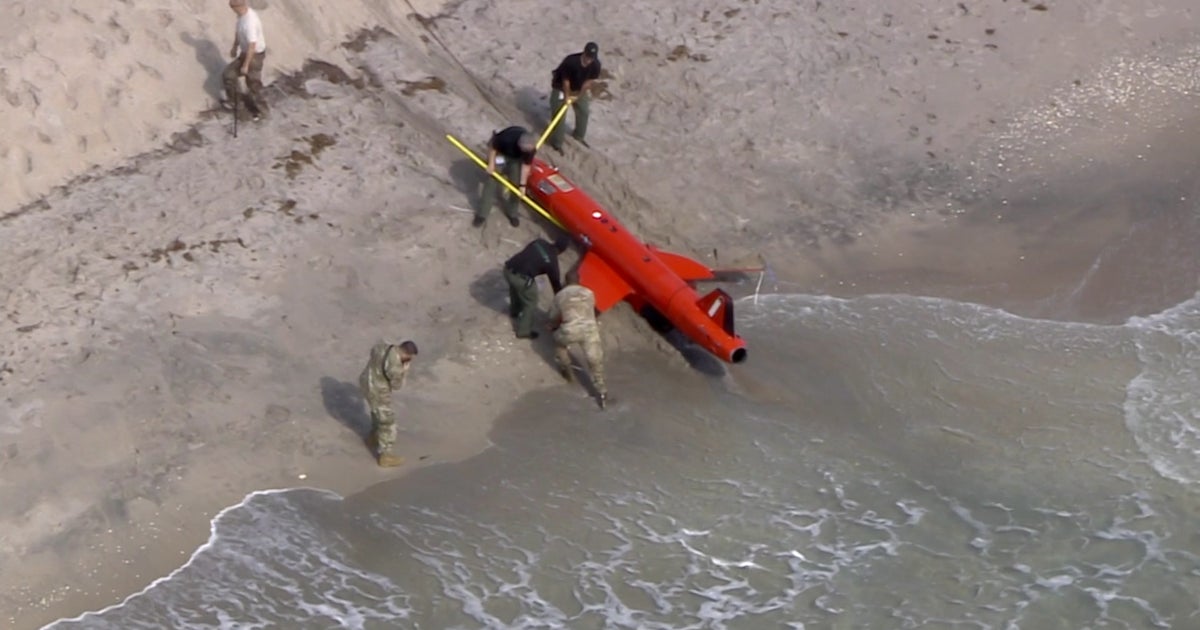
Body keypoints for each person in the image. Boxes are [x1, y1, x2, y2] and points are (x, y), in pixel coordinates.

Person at [548, 272, 608, 408]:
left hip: (570, 330)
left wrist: (552, 325)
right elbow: (591, 309)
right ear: (579, 281)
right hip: (589, 331)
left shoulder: (560, 296)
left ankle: (567, 371)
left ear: (566, 282)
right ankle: (602, 393)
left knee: (559, 343)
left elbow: (553, 316)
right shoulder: (589, 293)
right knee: (595, 362)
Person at [358, 340, 418, 467]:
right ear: (406, 355)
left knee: (375, 411)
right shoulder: (395, 366)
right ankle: (386, 455)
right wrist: (404, 370)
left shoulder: (382, 347)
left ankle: (374, 436)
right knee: (387, 422)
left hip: (367, 383)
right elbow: (397, 385)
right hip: (379, 391)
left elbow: (373, 351)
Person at [503, 236, 570, 339]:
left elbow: (529, 256)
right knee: (531, 301)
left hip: (507, 269)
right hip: (520, 278)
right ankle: (523, 331)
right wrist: (563, 302)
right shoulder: (552, 263)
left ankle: (514, 311)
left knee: (516, 287)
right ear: (562, 251)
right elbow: (556, 285)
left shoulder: (539, 242)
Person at [474, 126, 538, 228]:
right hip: (500, 153)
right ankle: (482, 214)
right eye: (524, 150)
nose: (527, 152)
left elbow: (526, 166)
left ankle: (512, 212)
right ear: (520, 145)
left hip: (516, 159)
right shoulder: (507, 138)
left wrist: (523, 185)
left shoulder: (530, 149)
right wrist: (491, 164)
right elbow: (493, 147)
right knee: (491, 182)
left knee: (516, 186)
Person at [547, 42, 602, 151]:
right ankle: (557, 143)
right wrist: (567, 97)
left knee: (584, 111)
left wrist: (579, 95)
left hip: (578, 88)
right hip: (561, 88)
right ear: (584, 53)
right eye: (587, 57)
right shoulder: (571, 62)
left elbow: (588, 82)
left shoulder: (596, 65)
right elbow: (565, 81)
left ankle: (579, 136)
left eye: (591, 58)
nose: (589, 60)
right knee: (559, 116)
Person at [222, 0, 268, 121]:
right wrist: (234, 46)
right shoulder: (241, 16)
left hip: (254, 56)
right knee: (228, 75)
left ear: (237, 7)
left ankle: (262, 112)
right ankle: (236, 103)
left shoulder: (250, 22)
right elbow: (238, 32)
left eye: (232, 8)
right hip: (245, 53)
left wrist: (246, 65)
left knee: (253, 84)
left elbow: (252, 45)